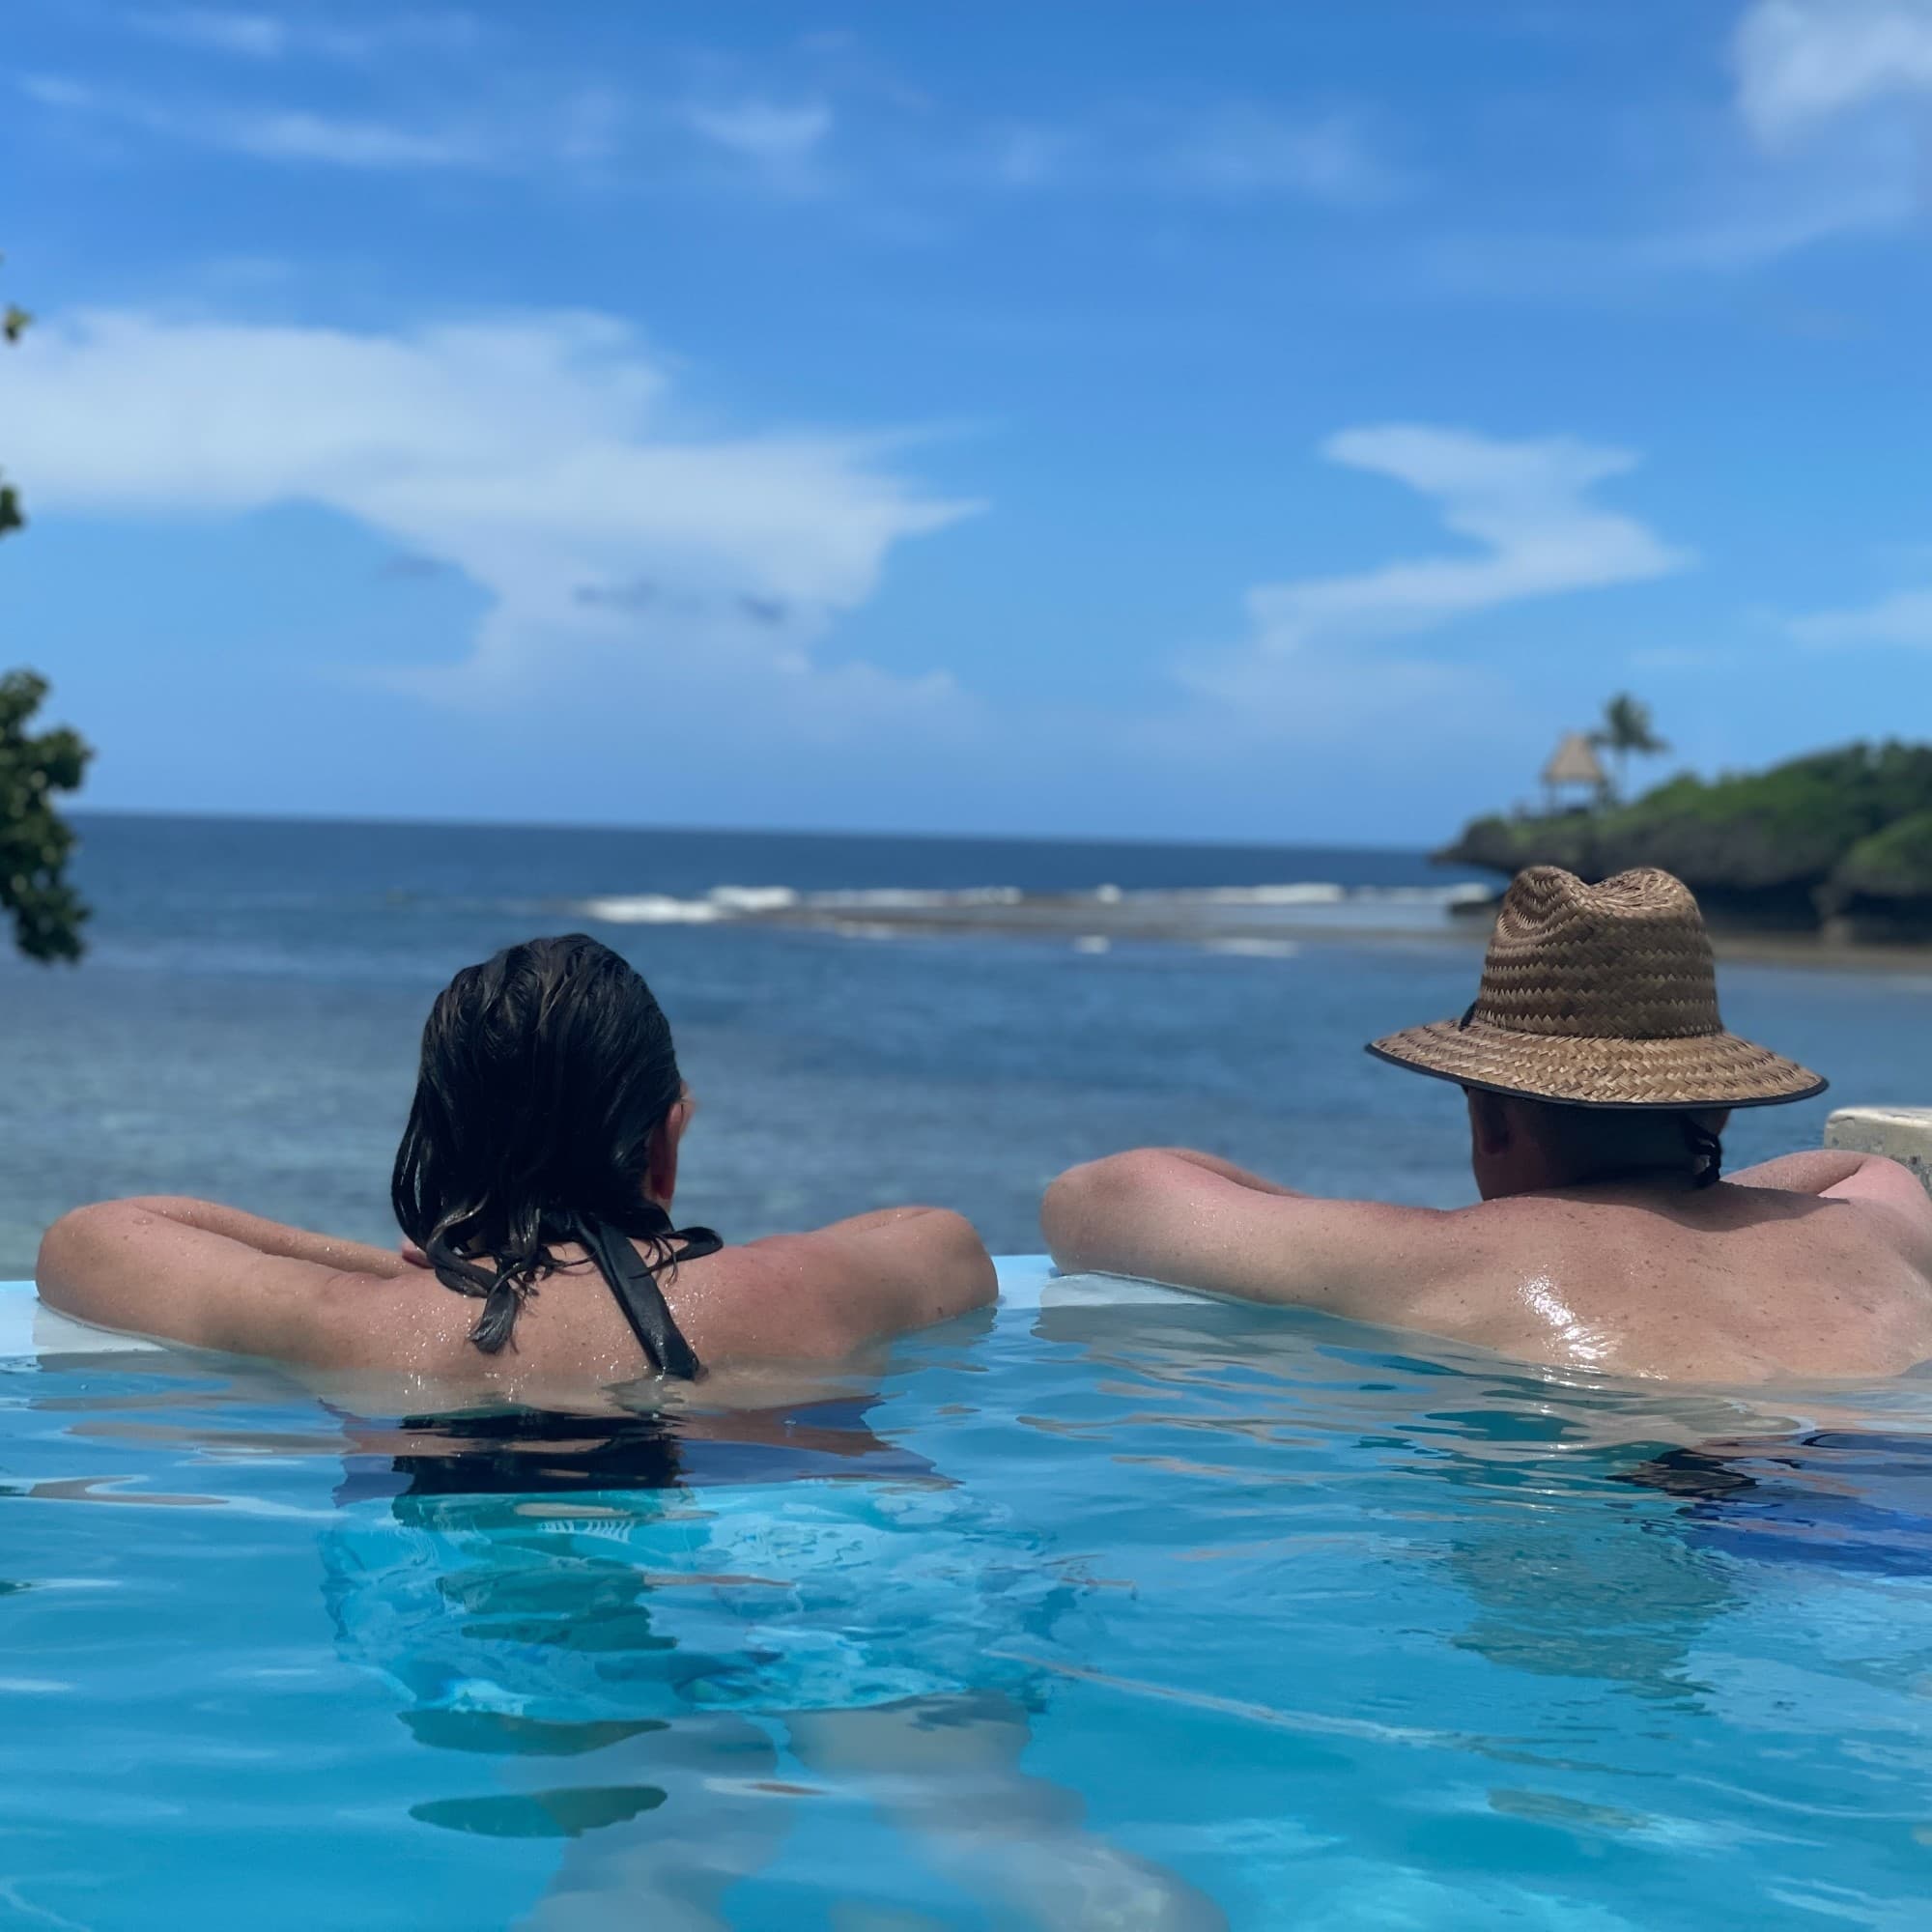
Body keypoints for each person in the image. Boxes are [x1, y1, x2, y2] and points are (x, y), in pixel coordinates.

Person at [1043, 867, 1932, 1383]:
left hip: (1664, 1517)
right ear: (1723, 1105)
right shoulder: (1874, 1233)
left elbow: (1092, 1199)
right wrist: (1707, 1200)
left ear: (1492, 1116)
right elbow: (1857, 1164)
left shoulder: (1427, 1264)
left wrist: (1352, 1229)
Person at [36, 933, 994, 1385]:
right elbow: (943, 1240)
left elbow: (92, 1238)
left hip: (467, 1587)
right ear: (665, 1137)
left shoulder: (355, 1324)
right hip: (802, 1543)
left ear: (444, 1144)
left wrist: (412, 1271)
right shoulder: (809, 1289)